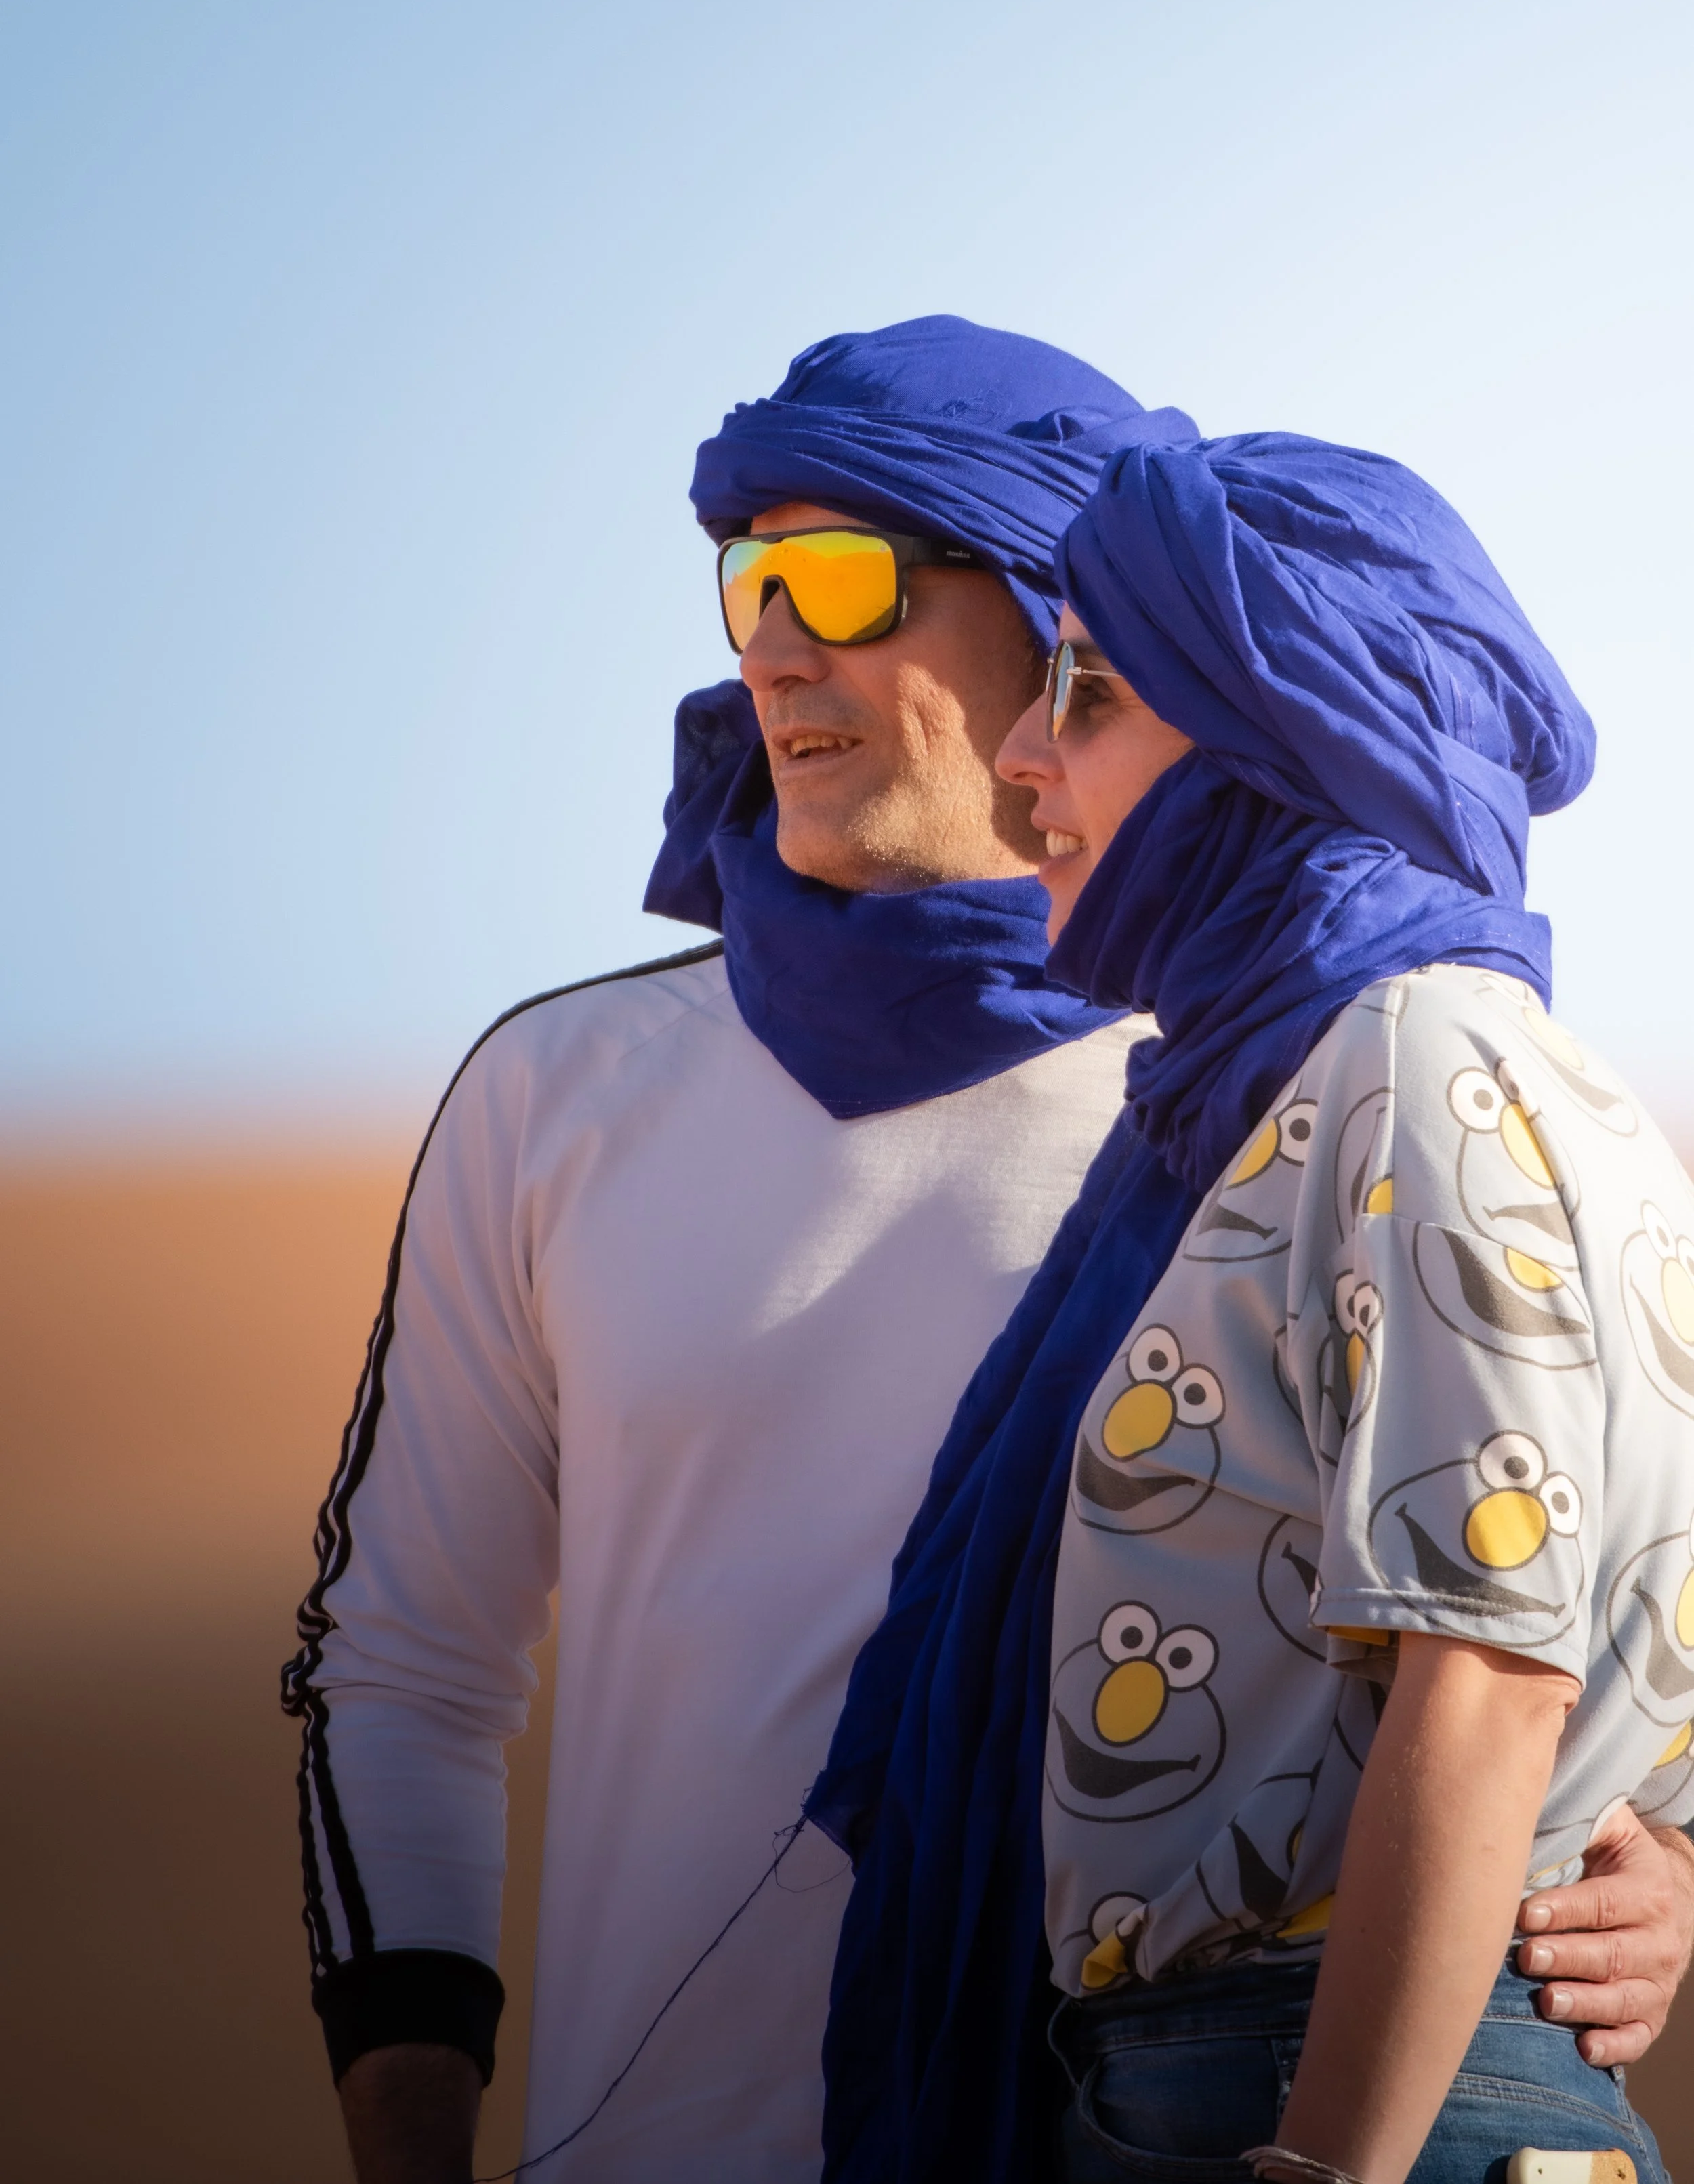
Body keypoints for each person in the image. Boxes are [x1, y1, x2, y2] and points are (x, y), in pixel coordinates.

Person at [283, 322, 1691, 2184]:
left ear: (1063, 624)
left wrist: (1641, 1859)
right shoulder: (563, 1092)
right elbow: (401, 1661)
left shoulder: (1293, 1079)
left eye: (846, 576)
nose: (774, 639)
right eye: (748, 580)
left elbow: (1538, 1585)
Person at [811, 429, 1694, 2184]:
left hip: (1334, 2096)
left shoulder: (1420, 1054)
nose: (1016, 753)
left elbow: (1491, 1667)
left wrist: (1326, 2166)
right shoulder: (1339, 1092)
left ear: (1277, 739)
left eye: (1089, 688)